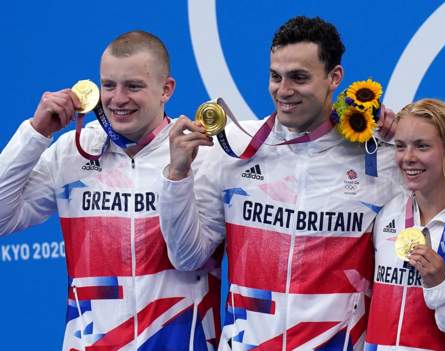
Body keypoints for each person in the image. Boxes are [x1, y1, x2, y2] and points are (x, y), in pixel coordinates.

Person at [160, 16, 401, 350]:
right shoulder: (233, 146)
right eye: (276, 76)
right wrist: (177, 176)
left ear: (334, 78)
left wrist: (405, 136)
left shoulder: (378, 157)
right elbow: (187, 258)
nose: (284, 90)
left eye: (299, 78)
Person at [0, 31, 221, 350]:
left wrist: (178, 174)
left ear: (166, 90)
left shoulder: (203, 157)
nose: (118, 99)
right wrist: (35, 134)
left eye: (133, 86)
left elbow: (190, 257)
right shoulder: (73, 151)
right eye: (108, 85)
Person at [364, 99, 445, 350]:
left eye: (422, 146)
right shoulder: (388, 215)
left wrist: (442, 285)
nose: (408, 158)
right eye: (401, 147)